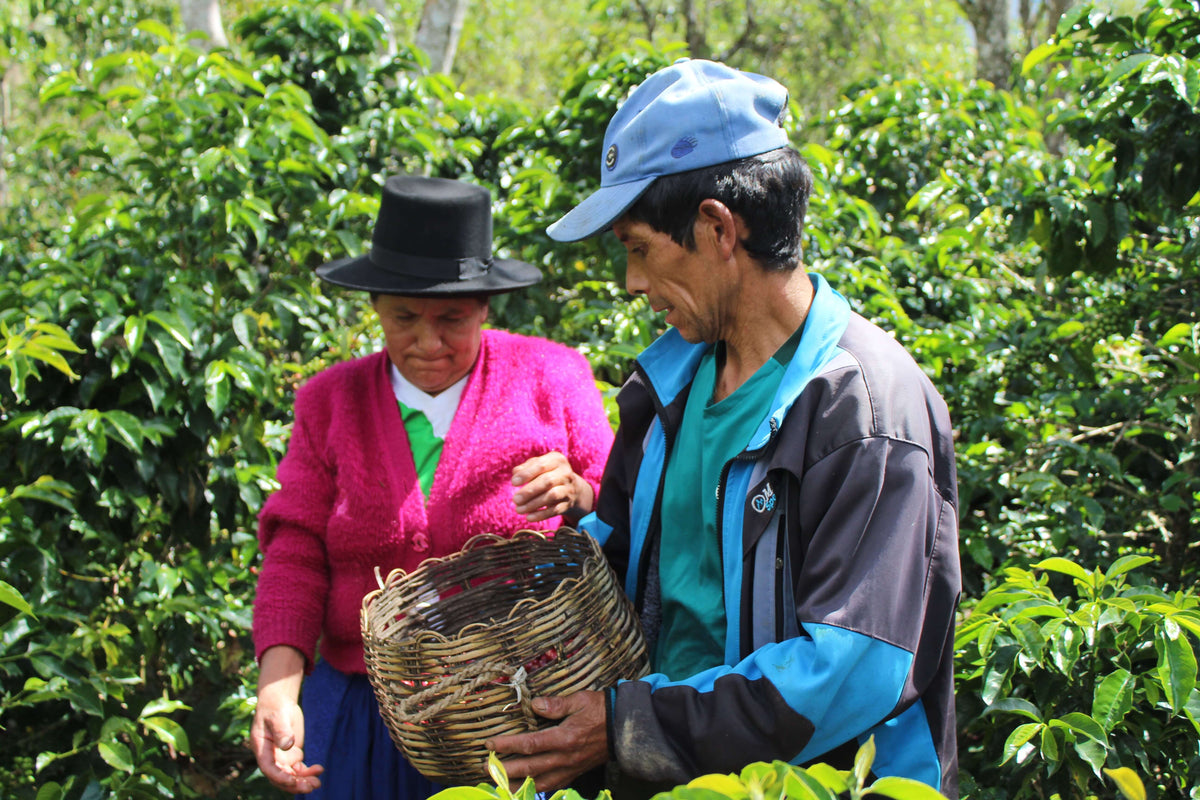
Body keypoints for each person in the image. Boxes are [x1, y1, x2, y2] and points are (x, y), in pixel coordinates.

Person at [486, 59, 962, 799]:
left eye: (639, 249)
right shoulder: (667, 387)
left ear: (715, 227)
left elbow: (852, 669)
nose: (633, 285)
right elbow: (620, 554)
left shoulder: (862, 409)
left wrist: (625, 725)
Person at [249, 175, 616, 799]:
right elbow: (297, 550)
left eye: (451, 319)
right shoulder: (329, 402)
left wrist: (580, 492)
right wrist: (277, 688)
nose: (427, 342)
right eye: (404, 319)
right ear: (374, 308)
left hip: (518, 709)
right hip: (365, 710)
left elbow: (624, 500)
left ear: (485, 307)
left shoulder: (551, 377)